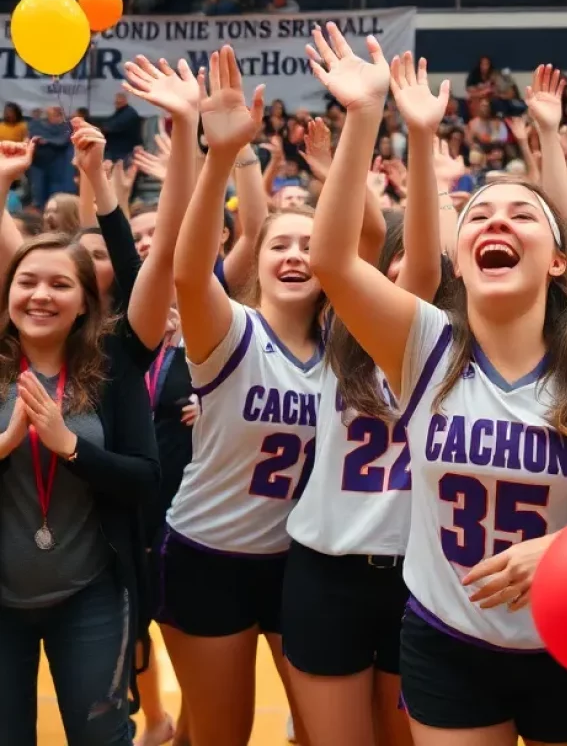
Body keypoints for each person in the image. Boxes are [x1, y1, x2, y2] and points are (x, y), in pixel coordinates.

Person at [306, 23, 567, 746]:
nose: (497, 219)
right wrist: (364, 118)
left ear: (558, 262)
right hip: (447, 640)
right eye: (479, 216)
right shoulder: (423, 344)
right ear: (457, 261)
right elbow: (335, 262)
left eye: (521, 213)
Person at [157, 48, 325, 746]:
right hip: (207, 557)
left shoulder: (350, 354)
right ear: (255, 259)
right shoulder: (231, 330)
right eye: (278, 243)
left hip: (302, 566)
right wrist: (220, 156)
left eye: (308, 245)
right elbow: (190, 275)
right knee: (220, 737)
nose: (291, 255)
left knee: (320, 732)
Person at [282, 51, 450, 746]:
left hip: (417, 578)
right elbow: (350, 249)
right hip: (326, 569)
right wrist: (363, 121)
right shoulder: (344, 331)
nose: (406, 274)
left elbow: (425, 262)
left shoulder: (447, 343)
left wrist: (418, 139)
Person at [0, 232, 159, 745]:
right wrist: (6, 445)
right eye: (27, 282)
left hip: (90, 593)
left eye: (59, 284)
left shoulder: (111, 369)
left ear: (85, 302)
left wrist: (70, 446)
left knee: (102, 738)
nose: (41, 295)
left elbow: (144, 479)